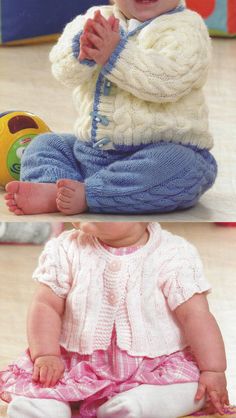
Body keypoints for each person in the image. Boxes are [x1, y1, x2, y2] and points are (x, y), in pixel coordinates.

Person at [5, 0, 217, 216]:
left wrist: (115, 53)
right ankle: (54, 187)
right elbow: (61, 70)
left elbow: (169, 82)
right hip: (91, 153)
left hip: (158, 154)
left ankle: (91, 194)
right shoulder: (95, 19)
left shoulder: (187, 29)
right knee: (45, 144)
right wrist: (82, 48)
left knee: (182, 165)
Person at [0, 222, 229, 418]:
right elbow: (45, 305)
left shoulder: (173, 253)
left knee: (194, 389)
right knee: (43, 385)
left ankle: (135, 406)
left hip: (153, 368)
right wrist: (46, 354)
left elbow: (195, 315)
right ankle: (44, 408)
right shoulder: (65, 248)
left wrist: (213, 370)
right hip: (74, 367)